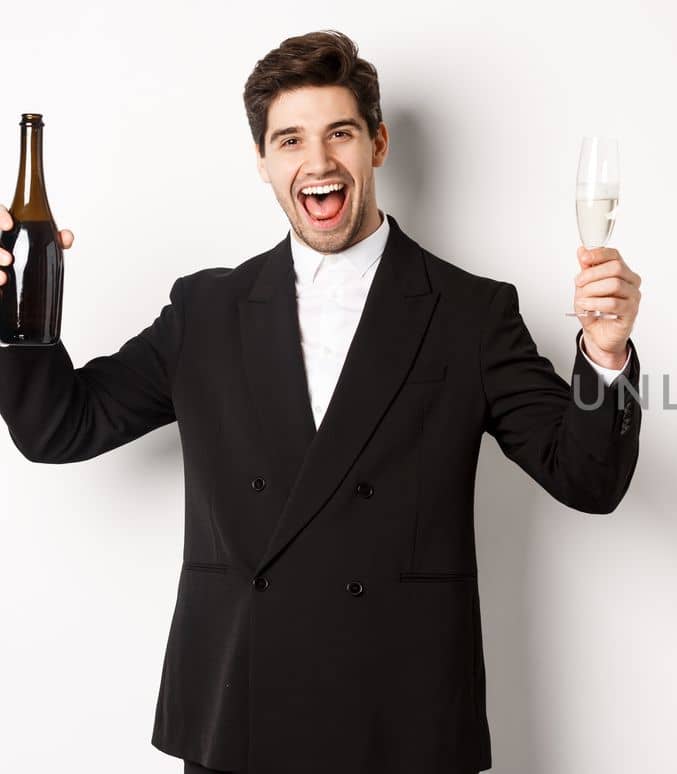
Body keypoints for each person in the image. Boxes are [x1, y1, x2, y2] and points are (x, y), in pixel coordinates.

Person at [0, 29, 644, 774]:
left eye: (339, 133)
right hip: (239, 711)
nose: (317, 162)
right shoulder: (205, 311)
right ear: (263, 162)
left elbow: (587, 480)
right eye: (290, 140)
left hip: (402, 720)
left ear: (377, 144)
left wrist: (605, 353)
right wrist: (24, 319)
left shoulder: (470, 312)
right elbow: (58, 428)